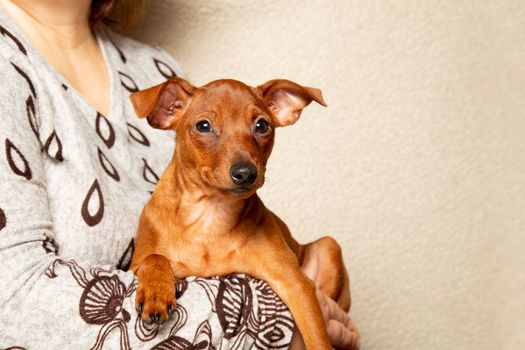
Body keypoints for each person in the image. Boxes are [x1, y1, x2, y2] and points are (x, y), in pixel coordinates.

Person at [0, 0, 360, 349]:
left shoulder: (155, 67)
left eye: (261, 127)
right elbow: (13, 294)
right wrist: (278, 326)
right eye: (205, 127)